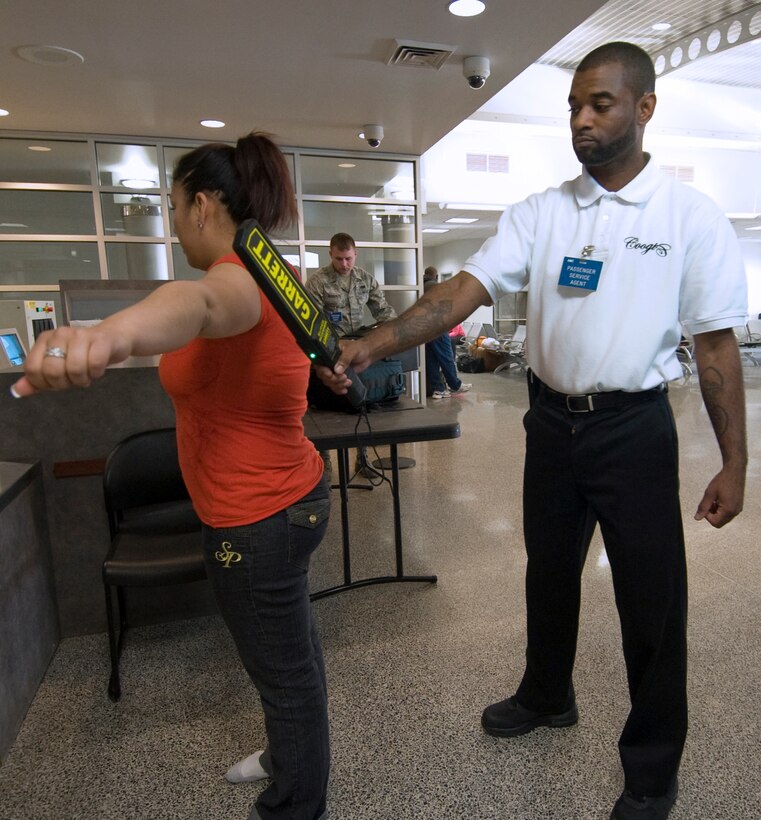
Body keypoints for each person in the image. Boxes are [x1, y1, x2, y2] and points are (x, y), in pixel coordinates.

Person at [317, 42, 747, 820]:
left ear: (643, 107)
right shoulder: (541, 213)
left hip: (634, 430)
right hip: (550, 423)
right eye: (573, 106)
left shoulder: (687, 218)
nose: (581, 120)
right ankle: (547, 694)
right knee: (546, 573)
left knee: (651, 602)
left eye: (601, 104)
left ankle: (651, 768)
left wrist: (734, 464)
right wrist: (372, 344)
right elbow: (460, 294)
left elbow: (715, 346)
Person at [12, 132, 332, 820]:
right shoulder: (275, 273)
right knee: (291, 658)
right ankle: (286, 758)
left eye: (173, 204)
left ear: (202, 206)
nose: (172, 218)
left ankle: (295, 804)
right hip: (288, 497)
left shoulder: (233, 280)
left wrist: (108, 336)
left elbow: (196, 306)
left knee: (285, 675)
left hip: (258, 517)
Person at [305, 232, 397, 476]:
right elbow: (312, 321)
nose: (344, 264)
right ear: (330, 255)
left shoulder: (364, 280)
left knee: (360, 404)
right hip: (328, 352)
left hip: (356, 352)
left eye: (348, 258)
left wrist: (396, 335)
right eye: (338, 259)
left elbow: (383, 311)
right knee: (323, 409)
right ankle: (323, 463)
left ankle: (363, 459)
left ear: (355, 254)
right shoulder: (318, 281)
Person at [423, 266, 471, 399]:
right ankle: (455, 385)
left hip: (425, 329)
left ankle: (438, 389)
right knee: (446, 356)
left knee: (431, 360)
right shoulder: (434, 286)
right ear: (436, 275)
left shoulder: (421, 285)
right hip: (438, 326)